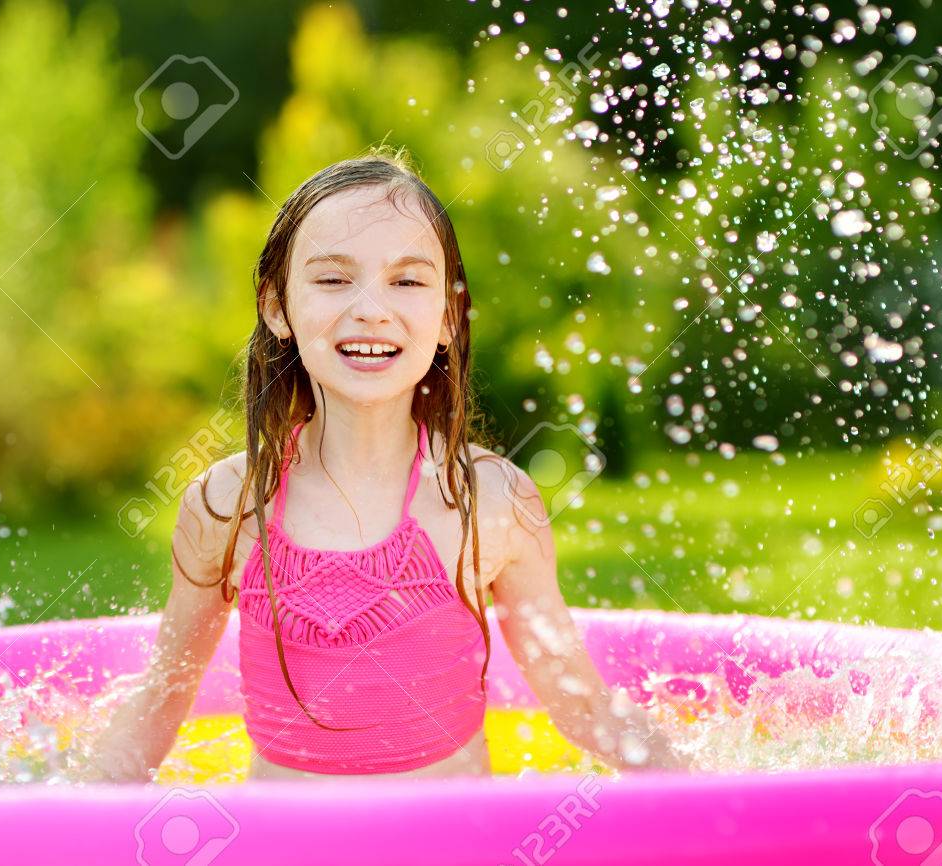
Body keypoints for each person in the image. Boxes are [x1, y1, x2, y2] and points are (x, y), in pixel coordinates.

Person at [85, 145, 685, 782]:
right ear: (276, 306)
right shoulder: (228, 504)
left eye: (407, 280)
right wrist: (65, 814)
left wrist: (708, 795)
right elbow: (160, 703)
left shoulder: (490, 501)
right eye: (333, 278)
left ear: (449, 315)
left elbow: (584, 705)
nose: (372, 308)